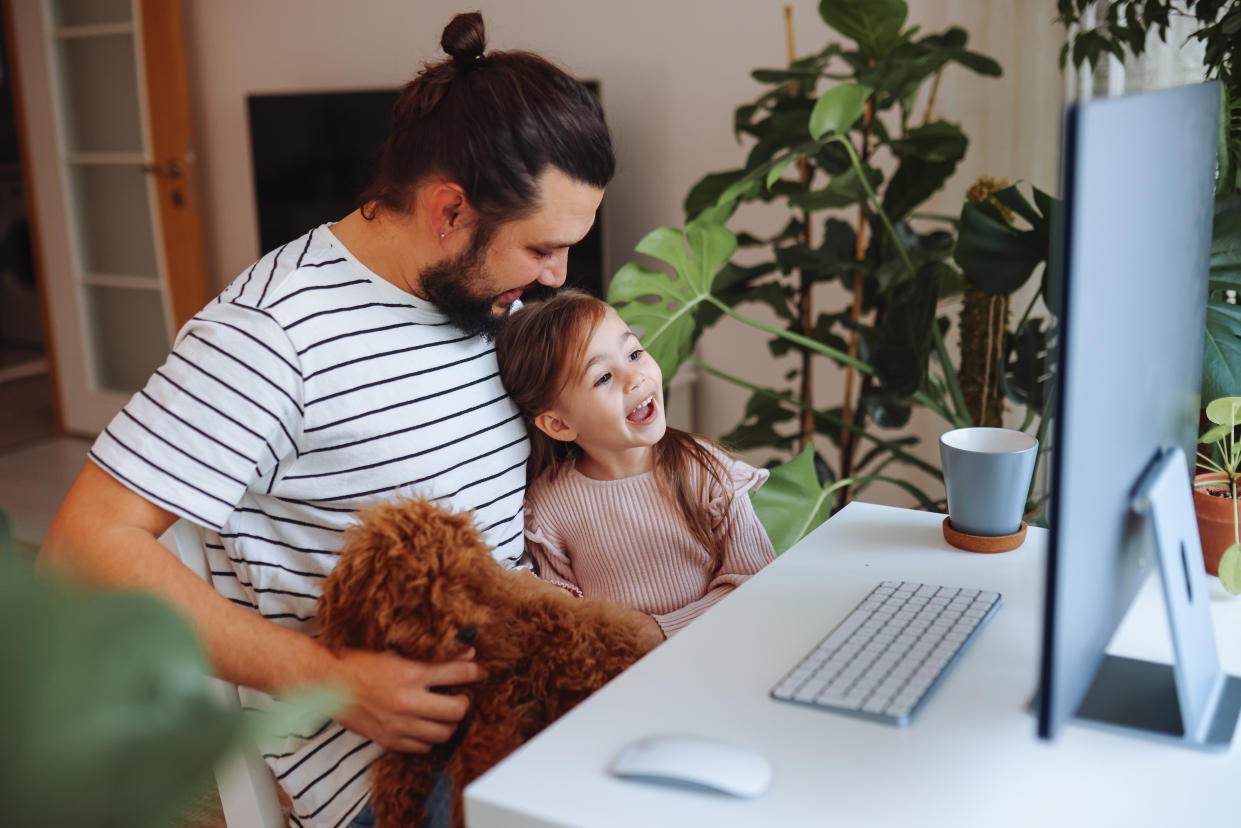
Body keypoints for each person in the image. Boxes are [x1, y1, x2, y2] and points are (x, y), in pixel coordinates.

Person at [38, 12, 612, 828]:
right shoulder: (268, 336)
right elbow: (81, 551)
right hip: (397, 765)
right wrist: (328, 676)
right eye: (540, 249)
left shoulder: (474, 295)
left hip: (526, 688)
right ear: (448, 211)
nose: (556, 277)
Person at [494, 291, 776, 640]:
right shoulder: (550, 508)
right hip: (619, 678)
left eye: (634, 354)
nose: (635, 377)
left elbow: (756, 581)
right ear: (559, 425)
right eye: (603, 378)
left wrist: (659, 631)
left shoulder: (706, 470)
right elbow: (563, 616)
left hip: (721, 651)